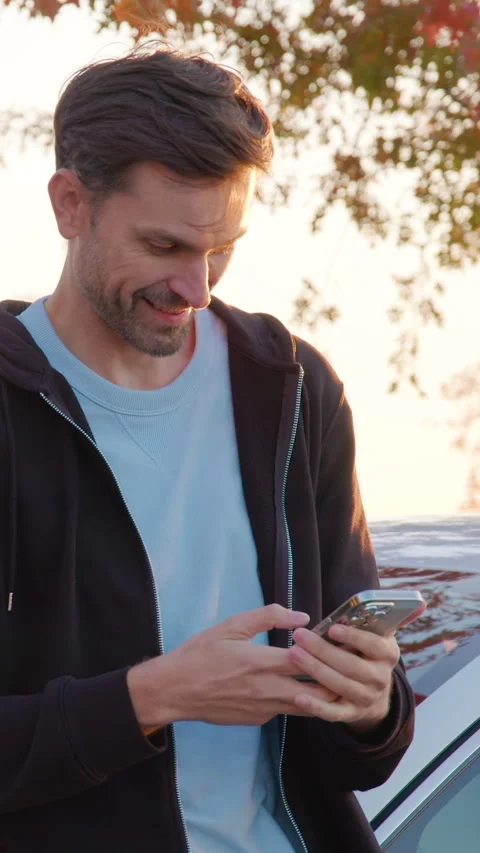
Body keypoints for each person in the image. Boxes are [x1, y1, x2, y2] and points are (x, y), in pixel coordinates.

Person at [0, 44, 414, 853]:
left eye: (222, 246)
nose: (198, 286)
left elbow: (358, 754)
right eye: (164, 248)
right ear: (70, 204)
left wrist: (370, 706)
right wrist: (150, 697)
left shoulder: (294, 391)